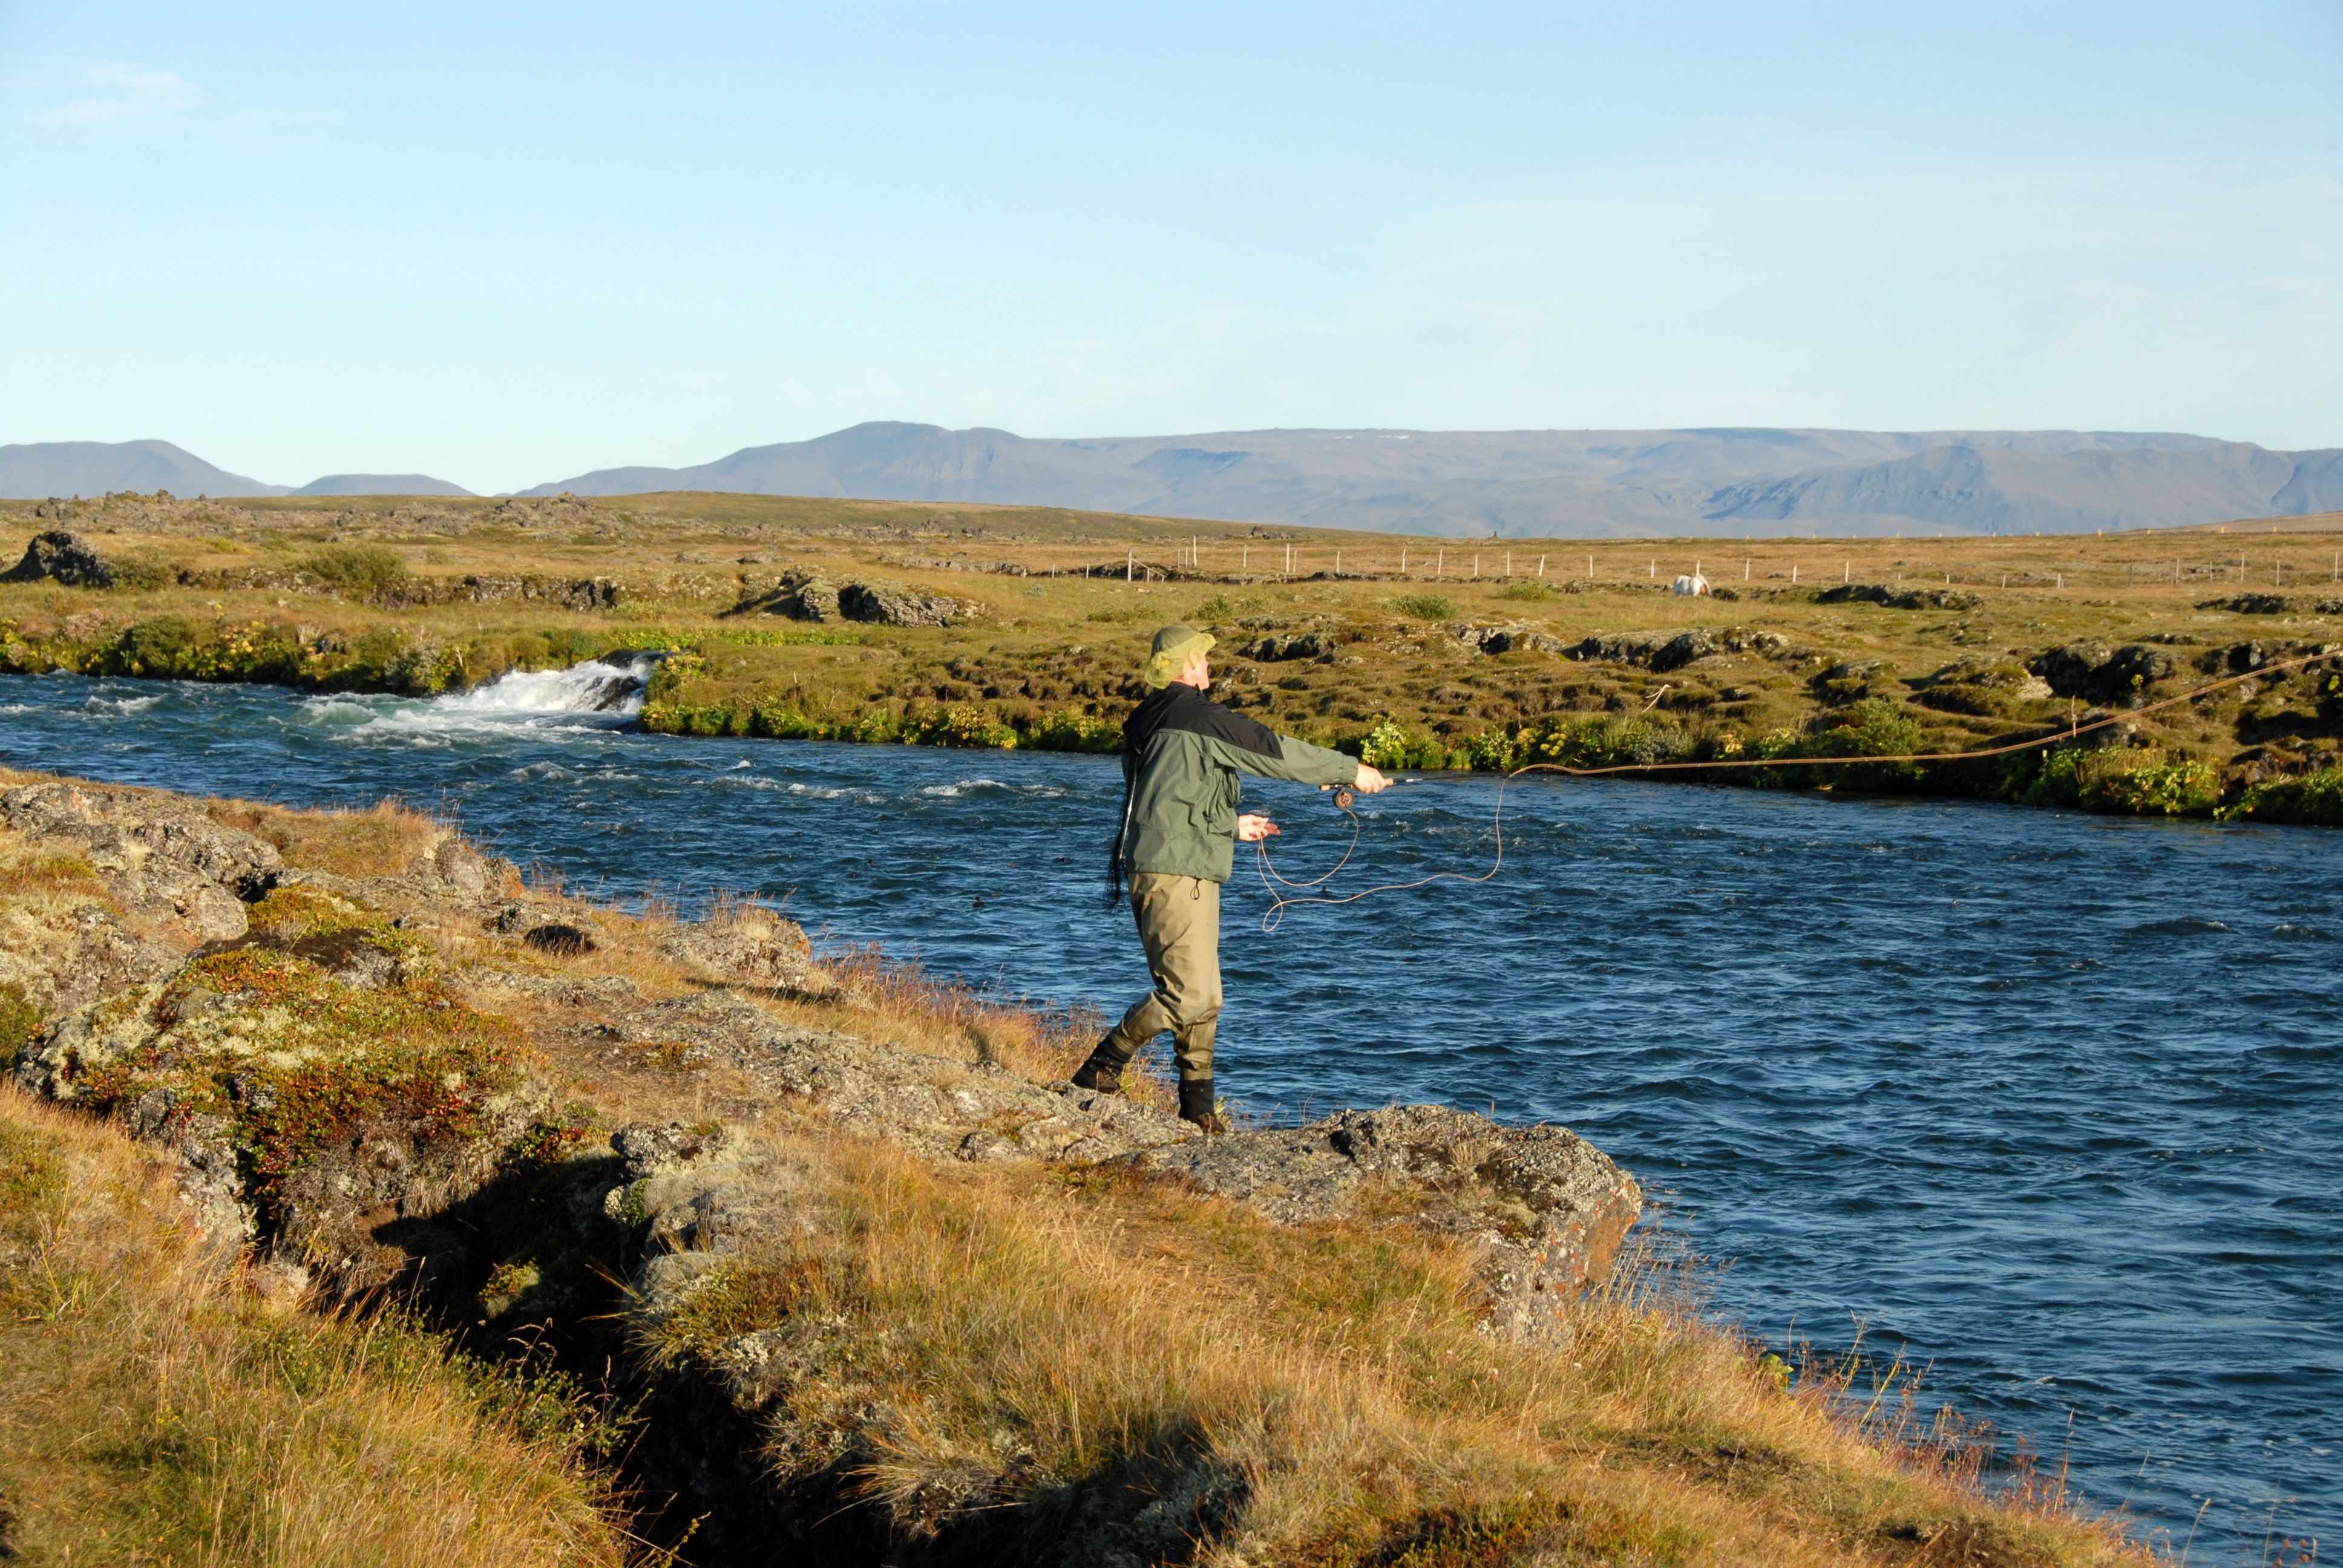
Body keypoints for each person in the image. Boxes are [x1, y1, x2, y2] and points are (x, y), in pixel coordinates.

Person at [1072, 623, 1389, 1132]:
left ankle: (1198, 1108)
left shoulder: (1149, 718)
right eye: (1203, 656)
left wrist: (1229, 826)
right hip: (1176, 873)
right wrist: (1351, 770)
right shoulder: (1199, 717)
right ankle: (1100, 1068)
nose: (1208, 664)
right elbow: (1273, 749)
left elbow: (1166, 801)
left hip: (1172, 864)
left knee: (1207, 998)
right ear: (1187, 664)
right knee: (1190, 996)